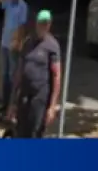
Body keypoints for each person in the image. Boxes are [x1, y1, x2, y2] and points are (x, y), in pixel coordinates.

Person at [7, 9, 62, 138]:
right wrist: (13, 101)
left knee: (35, 131)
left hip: (40, 97)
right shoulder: (28, 42)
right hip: (25, 95)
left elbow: (57, 76)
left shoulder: (52, 46)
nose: (44, 26)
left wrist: (52, 106)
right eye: (42, 23)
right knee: (20, 130)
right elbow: (19, 71)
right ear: (36, 23)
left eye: (47, 23)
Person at [0, 0, 28, 114]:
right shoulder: (8, 2)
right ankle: (5, 103)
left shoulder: (22, 6)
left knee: (13, 75)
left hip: (13, 43)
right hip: (4, 42)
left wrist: (19, 41)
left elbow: (22, 26)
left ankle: (12, 104)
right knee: (5, 74)